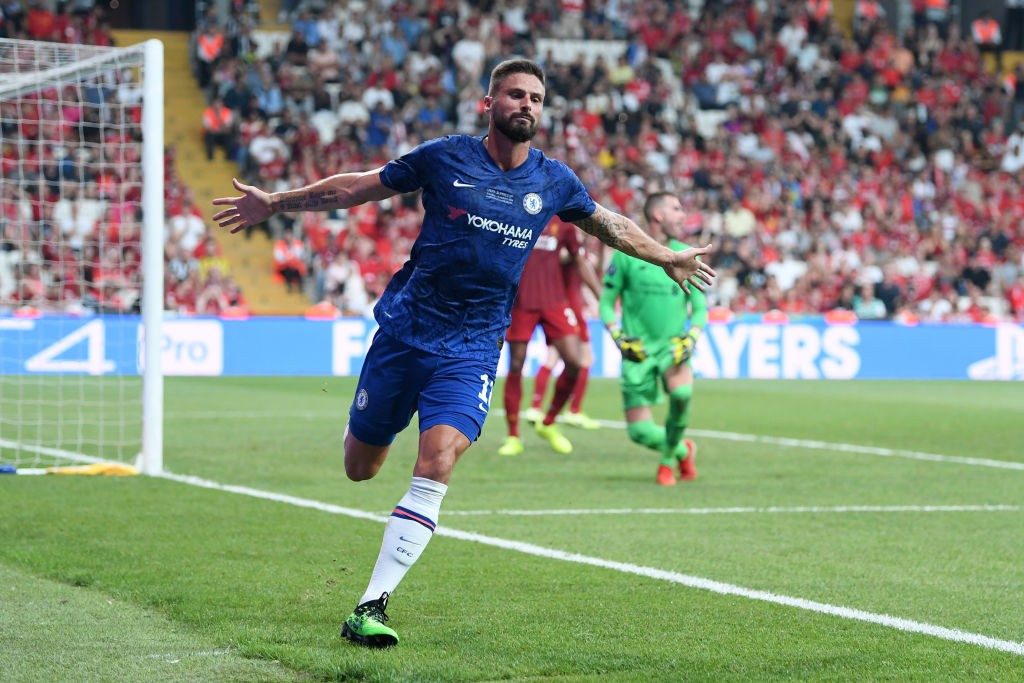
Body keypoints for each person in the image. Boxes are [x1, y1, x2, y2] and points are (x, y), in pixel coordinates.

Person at [211, 59, 715, 649]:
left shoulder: (553, 181)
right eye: (514, 95)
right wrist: (277, 202)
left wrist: (664, 255)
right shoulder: (445, 157)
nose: (526, 105)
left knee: (438, 462)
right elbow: (357, 187)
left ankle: (371, 604)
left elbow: (610, 225)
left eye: (535, 98)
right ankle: (372, 430)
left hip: (472, 348)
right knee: (361, 466)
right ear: (489, 102)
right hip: (404, 333)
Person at [600, 192, 707, 486]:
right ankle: (683, 449)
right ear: (657, 215)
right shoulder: (626, 257)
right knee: (639, 432)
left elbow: (699, 309)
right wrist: (619, 338)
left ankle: (665, 464)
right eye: (676, 208)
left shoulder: (686, 256)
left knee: (683, 395)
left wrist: (692, 337)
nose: (683, 215)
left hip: (673, 348)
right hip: (639, 350)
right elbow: (606, 304)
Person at [497, 219, 602, 457]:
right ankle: (513, 435)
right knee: (516, 365)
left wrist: (601, 295)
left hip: (555, 301)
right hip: (521, 302)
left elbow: (578, 258)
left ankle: (549, 421)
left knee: (575, 361)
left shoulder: (562, 221)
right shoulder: (516, 213)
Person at [524, 232, 601, 430]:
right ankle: (573, 411)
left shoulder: (577, 250)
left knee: (554, 357)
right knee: (584, 358)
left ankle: (536, 406)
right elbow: (564, 259)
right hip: (566, 308)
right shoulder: (568, 249)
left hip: (565, 306)